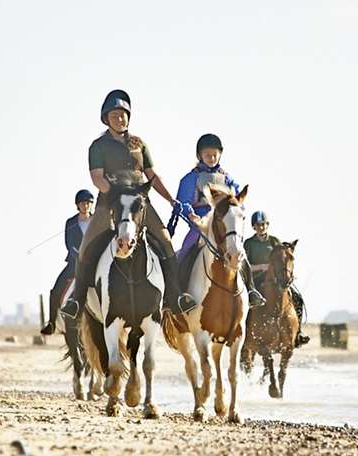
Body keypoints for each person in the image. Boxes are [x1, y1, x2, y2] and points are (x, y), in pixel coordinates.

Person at [60, 90, 197, 320]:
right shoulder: (98, 146)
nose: (119, 119)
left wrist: (172, 199)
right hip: (109, 203)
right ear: (106, 119)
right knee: (87, 245)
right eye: (114, 115)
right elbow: (97, 177)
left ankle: (175, 296)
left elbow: (152, 175)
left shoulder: (139, 143)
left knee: (164, 239)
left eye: (123, 115)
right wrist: (114, 192)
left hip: (140, 203)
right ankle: (77, 299)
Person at [169, 133, 265, 308]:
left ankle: (250, 290)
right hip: (200, 227)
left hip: (223, 226)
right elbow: (182, 201)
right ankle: (179, 295)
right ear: (200, 156)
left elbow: (236, 201)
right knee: (184, 253)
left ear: (220, 155)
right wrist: (191, 215)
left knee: (239, 252)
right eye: (207, 155)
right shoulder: (191, 178)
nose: (211, 158)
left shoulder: (227, 179)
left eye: (214, 155)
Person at [245, 211, 310, 347]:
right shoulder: (249, 243)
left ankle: (298, 333)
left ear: (267, 225)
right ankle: (244, 332)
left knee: (297, 297)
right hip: (254, 280)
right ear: (253, 226)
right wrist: (260, 267)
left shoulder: (274, 241)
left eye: (263, 224)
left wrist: (288, 273)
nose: (261, 227)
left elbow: (283, 258)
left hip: (275, 280)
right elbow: (243, 265)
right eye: (258, 225)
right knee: (245, 301)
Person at [40, 190, 93, 335]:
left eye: (88, 203)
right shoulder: (71, 223)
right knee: (55, 290)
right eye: (83, 203)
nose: (86, 206)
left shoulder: (96, 221)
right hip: (75, 264)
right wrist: (80, 256)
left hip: (94, 264)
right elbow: (69, 245)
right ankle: (51, 323)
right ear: (78, 205)